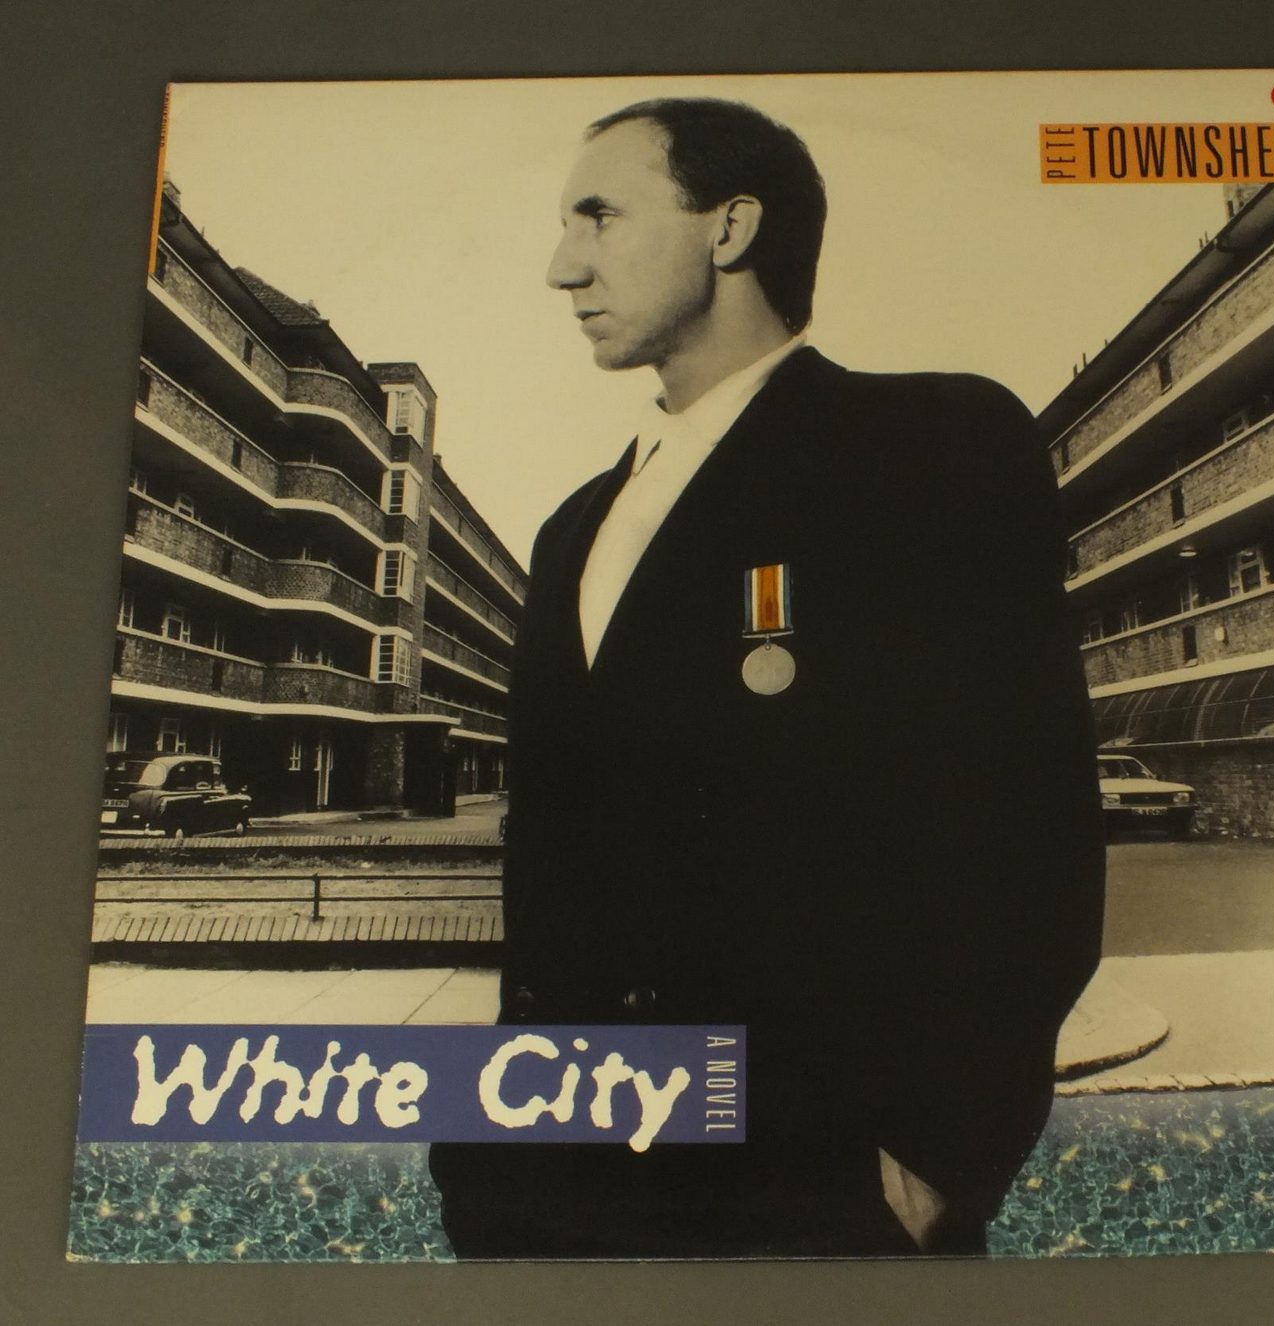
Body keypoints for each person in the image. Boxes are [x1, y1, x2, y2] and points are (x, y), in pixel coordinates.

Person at [428, 97, 1104, 1259]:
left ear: (730, 227)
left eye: (599, 215)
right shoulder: (568, 530)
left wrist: (939, 1156)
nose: (562, 266)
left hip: (801, 1188)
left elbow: (1029, 826)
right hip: (545, 1187)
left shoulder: (928, 447)